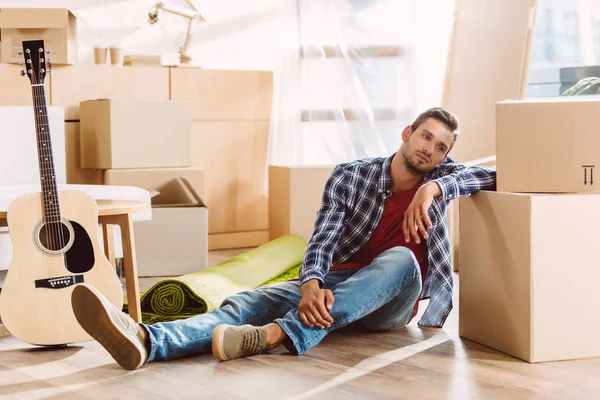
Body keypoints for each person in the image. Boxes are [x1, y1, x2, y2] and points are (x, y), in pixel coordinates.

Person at [71, 107, 496, 370]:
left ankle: (277, 334)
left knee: (402, 258)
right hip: (334, 286)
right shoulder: (351, 175)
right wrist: (311, 284)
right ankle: (148, 341)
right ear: (406, 133)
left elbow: (493, 173)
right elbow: (323, 237)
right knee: (248, 303)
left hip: (389, 305)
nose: (431, 150)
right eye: (426, 136)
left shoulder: (442, 178)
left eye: (441, 147)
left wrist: (431, 189)